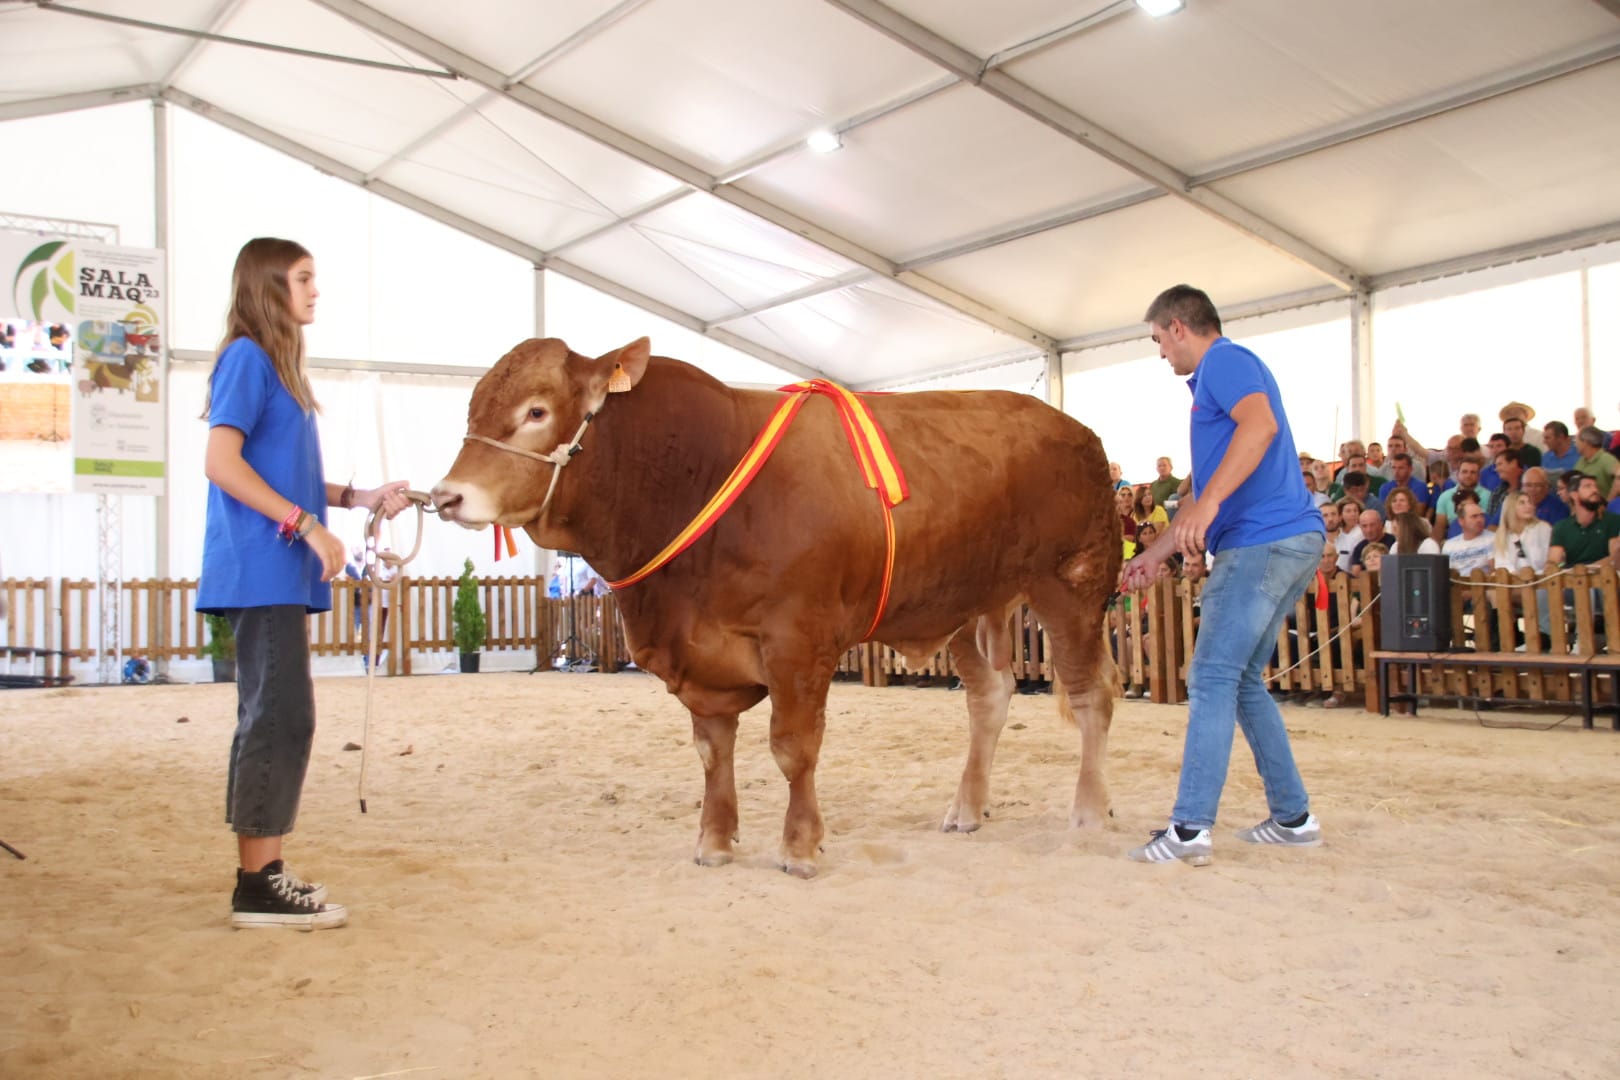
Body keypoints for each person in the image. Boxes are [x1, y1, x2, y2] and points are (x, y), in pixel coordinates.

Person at [197, 237, 411, 931]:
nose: (315, 291)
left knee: (282, 715)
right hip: (260, 569)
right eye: (303, 278)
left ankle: (265, 872)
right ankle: (256, 885)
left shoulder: (275, 371)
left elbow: (281, 475)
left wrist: (357, 497)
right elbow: (222, 464)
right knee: (278, 717)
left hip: (276, 570)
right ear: (268, 287)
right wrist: (305, 527)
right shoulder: (246, 359)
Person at [1122, 284, 1324, 866]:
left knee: (1210, 676)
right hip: (1288, 537)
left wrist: (1208, 506)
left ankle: (1189, 831)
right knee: (1240, 681)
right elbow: (1204, 496)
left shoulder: (1224, 362)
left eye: (1158, 339)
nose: (1161, 353)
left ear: (1179, 327)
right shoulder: (1220, 377)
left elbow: (1260, 428)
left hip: (1262, 541)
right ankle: (1294, 817)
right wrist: (1153, 556)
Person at [1491, 491, 1551, 574]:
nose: (1528, 506)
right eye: (1522, 503)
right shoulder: (1502, 533)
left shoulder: (1543, 528)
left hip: (1539, 579)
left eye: (1530, 502)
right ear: (1511, 507)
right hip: (1511, 581)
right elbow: (1501, 564)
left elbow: (1548, 559)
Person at [1441, 499, 1494, 575]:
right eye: (1474, 516)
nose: (1479, 520)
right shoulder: (1449, 545)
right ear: (1461, 521)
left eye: (1482, 516)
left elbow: (1494, 570)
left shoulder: (1493, 539)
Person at [1572, 426, 1619, 500]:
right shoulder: (1581, 461)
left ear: (1585, 442)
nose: (1575, 444)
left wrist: (1608, 504)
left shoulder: (1606, 459)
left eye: (1576, 440)